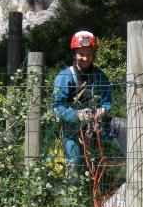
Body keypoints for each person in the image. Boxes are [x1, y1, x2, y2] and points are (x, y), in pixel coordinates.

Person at [53, 30, 125, 173]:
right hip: (72, 127)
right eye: (81, 54)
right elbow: (57, 107)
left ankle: (137, 167)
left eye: (89, 54)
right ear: (74, 54)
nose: (85, 58)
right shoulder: (65, 77)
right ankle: (72, 192)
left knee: (123, 126)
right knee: (74, 162)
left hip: (96, 123)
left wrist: (101, 112)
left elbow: (107, 102)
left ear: (93, 54)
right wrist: (77, 115)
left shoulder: (100, 76)